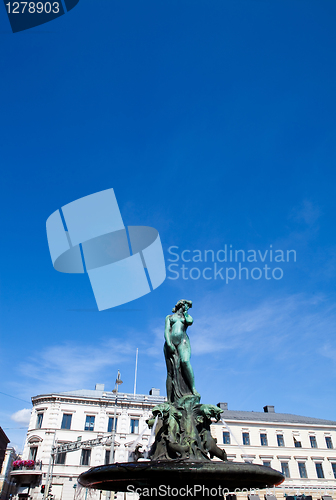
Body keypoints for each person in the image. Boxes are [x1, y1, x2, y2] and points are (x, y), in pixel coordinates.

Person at [164, 299, 199, 402]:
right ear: (181, 305)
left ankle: (193, 389)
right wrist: (169, 343)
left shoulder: (186, 317)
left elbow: (190, 322)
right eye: (186, 305)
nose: (187, 307)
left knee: (185, 361)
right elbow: (166, 331)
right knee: (170, 372)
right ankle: (170, 400)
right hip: (170, 344)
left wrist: (186, 313)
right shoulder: (169, 317)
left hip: (183, 342)